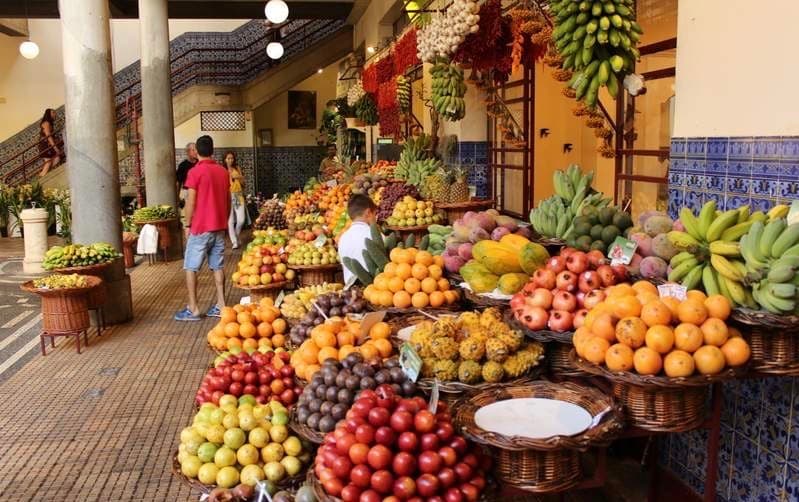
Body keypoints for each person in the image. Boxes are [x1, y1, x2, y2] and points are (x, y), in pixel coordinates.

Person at [175, 135, 231, 321]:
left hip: (200, 227)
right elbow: (228, 200)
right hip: (219, 227)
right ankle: (221, 305)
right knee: (218, 266)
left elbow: (191, 202)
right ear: (213, 151)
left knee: (191, 267)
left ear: (196, 152)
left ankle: (194, 308)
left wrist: (187, 224)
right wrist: (225, 220)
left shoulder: (195, 172)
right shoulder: (223, 172)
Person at [338, 194, 378, 285]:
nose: (375, 219)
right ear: (368, 213)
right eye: (375, 214)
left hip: (351, 293)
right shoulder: (373, 234)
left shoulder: (342, 238)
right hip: (374, 291)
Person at [224, 151, 247, 249]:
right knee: (230, 220)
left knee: (241, 219)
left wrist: (238, 177)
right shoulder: (222, 170)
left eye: (232, 158)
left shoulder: (237, 168)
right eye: (228, 158)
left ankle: (236, 236)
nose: (230, 160)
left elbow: (243, 184)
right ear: (224, 159)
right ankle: (234, 242)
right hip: (227, 196)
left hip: (238, 195)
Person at [38, 108, 63, 177]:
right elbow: (48, 136)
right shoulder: (46, 123)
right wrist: (55, 148)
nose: (55, 114)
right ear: (48, 114)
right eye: (53, 112)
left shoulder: (50, 123)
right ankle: (41, 178)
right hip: (45, 145)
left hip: (48, 145)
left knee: (57, 159)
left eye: (55, 112)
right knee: (48, 161)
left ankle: (45, 175)